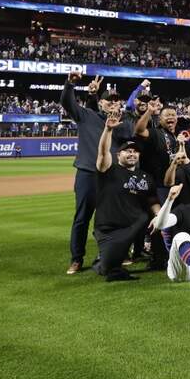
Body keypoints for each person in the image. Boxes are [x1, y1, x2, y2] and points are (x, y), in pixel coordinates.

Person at [61, 72, 133, 275]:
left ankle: (117, 253)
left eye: (116, 101)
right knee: (82, 218)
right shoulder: (86, 116)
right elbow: (67, 103)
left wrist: (116, 121)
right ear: (100, 103)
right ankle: (76, 259)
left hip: (111, 175)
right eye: (109, 101)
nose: (113, 104)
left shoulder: (125, 121)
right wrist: (70, 84)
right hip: (87, 173)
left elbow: (127, 136)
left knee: (114, 217)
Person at [92, 115, 158, 282]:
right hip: (109, 227)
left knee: (147, 217)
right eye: (127, 151)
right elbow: (102, 153)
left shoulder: (145, 176)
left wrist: (158, 217)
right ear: (118, 154)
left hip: (133, 226)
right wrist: (108, 130)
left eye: (135, 151)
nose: (132, 154)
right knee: (108, 269)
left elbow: (152, 200)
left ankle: (151, 255)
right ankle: (102, 260)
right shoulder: (109, 170)